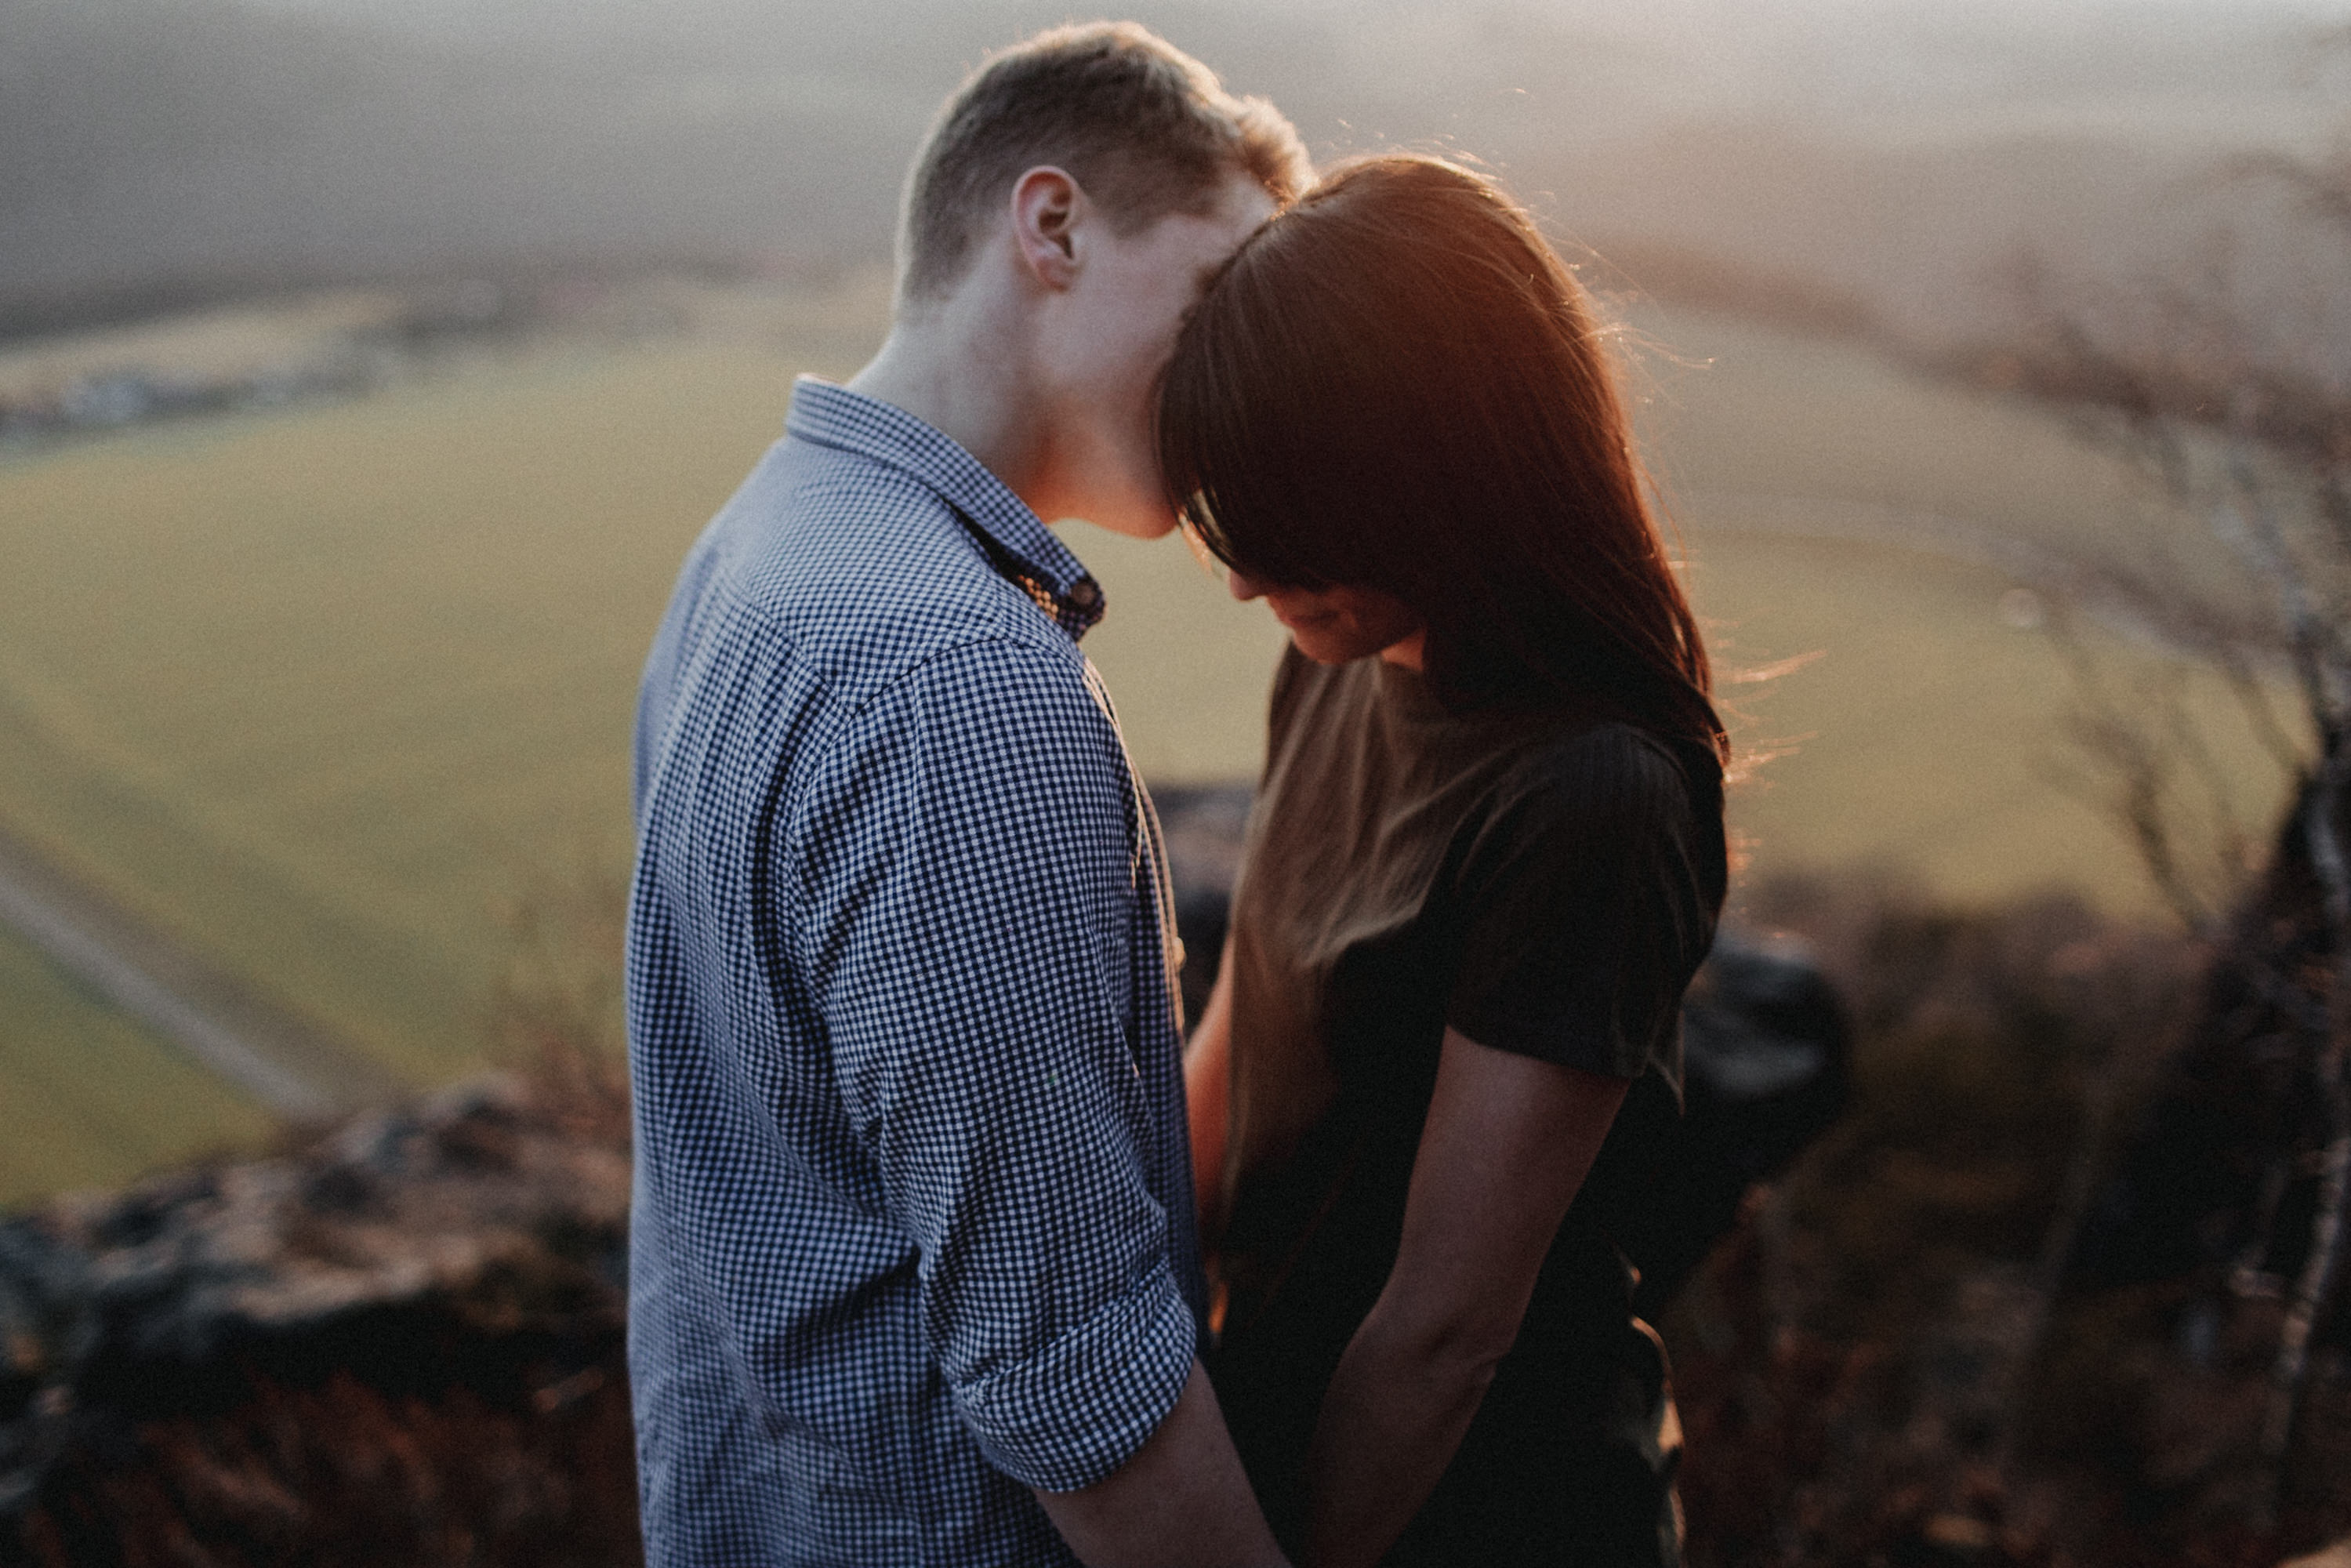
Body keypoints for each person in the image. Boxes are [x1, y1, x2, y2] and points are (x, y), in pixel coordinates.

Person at [624, 25, 1309, 1566]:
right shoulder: (959, 681)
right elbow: (1073, 1370)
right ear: (1051, 227)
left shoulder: (751, 544)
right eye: (1214, 303)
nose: (1237, 382)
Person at [1160, 154, 1732, 1568]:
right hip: (1273, 1443)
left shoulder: (1592, 800)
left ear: (1437, 477)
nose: (1244, 580)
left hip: (1483, 1514)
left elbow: (1448, 1331)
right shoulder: (1338, 664)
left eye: (1288, 530)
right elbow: (1237, 1055)